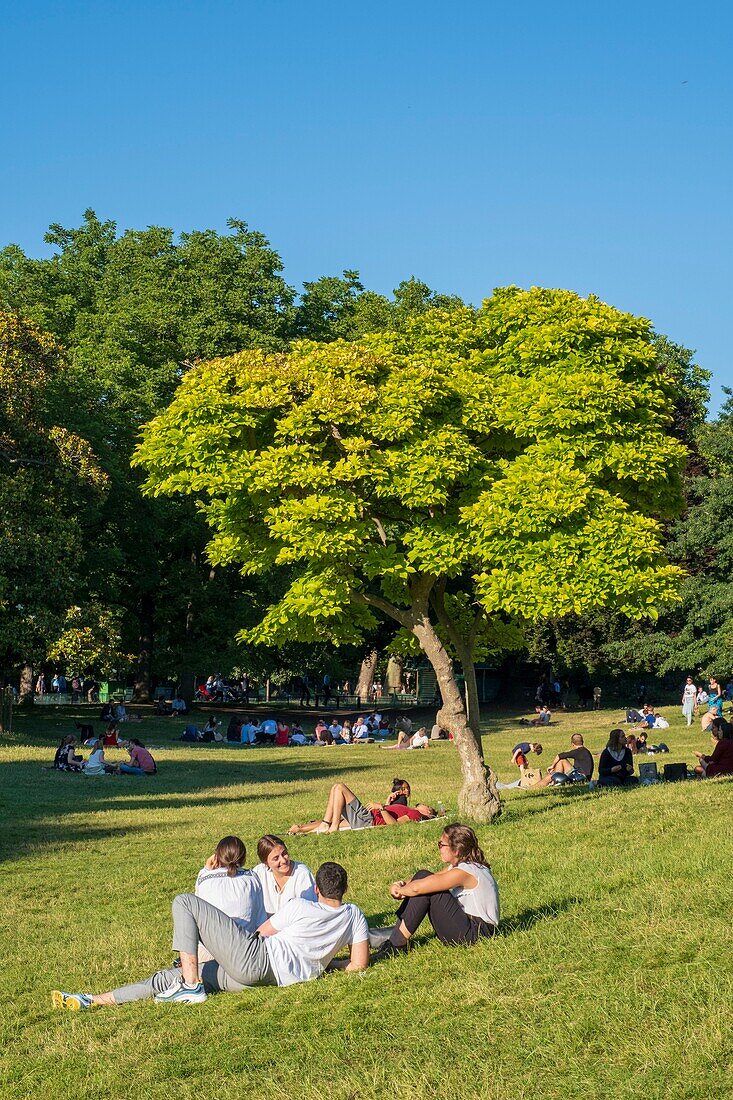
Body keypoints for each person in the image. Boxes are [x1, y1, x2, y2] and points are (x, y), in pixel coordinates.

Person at [51, 862, 369, 1009]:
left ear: (316, 888)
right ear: (344, 889)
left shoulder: (301, 905)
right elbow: (358, 965)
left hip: (257, 960)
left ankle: (190, 987)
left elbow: (259, 933)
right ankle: (91, 1001)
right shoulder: (354, 915)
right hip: (264, 979)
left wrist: (221, 944)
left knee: (184, 902)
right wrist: (325, 963)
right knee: (168, 977)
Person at [371, 824, 499, 960]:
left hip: (475, 934)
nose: (439, 848)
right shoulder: (468, 866)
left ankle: (396, 945)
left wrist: (400, 891)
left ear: (456, 850)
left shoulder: (464, 872)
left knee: (427, 888)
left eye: (441, 844)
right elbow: (431, 878)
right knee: (424, 877)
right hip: (474, 928)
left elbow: (418, 888)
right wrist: (401, 884)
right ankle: (396, 938)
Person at [194, 837, 266, 962]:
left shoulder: (204, 878)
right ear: (243, 858)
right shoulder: (252, 878)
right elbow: (261, 920)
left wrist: (205, 869)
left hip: (209, 952)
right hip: (244, 951)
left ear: (217, 856)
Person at [288, 778, 415, 834]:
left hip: (368, 819)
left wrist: (381, 806)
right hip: (369, 817)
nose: (404, 792)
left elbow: (391, 821)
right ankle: (301, 828)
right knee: (335, 789)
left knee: (339, 787)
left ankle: (330, 825)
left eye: (406, 789)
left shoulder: (404, 803)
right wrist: (387, 801)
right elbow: (389, 813)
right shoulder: (399, 800)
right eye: (402, 789)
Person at [251, 835, 317, 915]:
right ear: (266, 862)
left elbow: (309, 910)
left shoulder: (302, 874)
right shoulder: (258, 873)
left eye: (284, 854)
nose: (283, 860)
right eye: (276, 858)